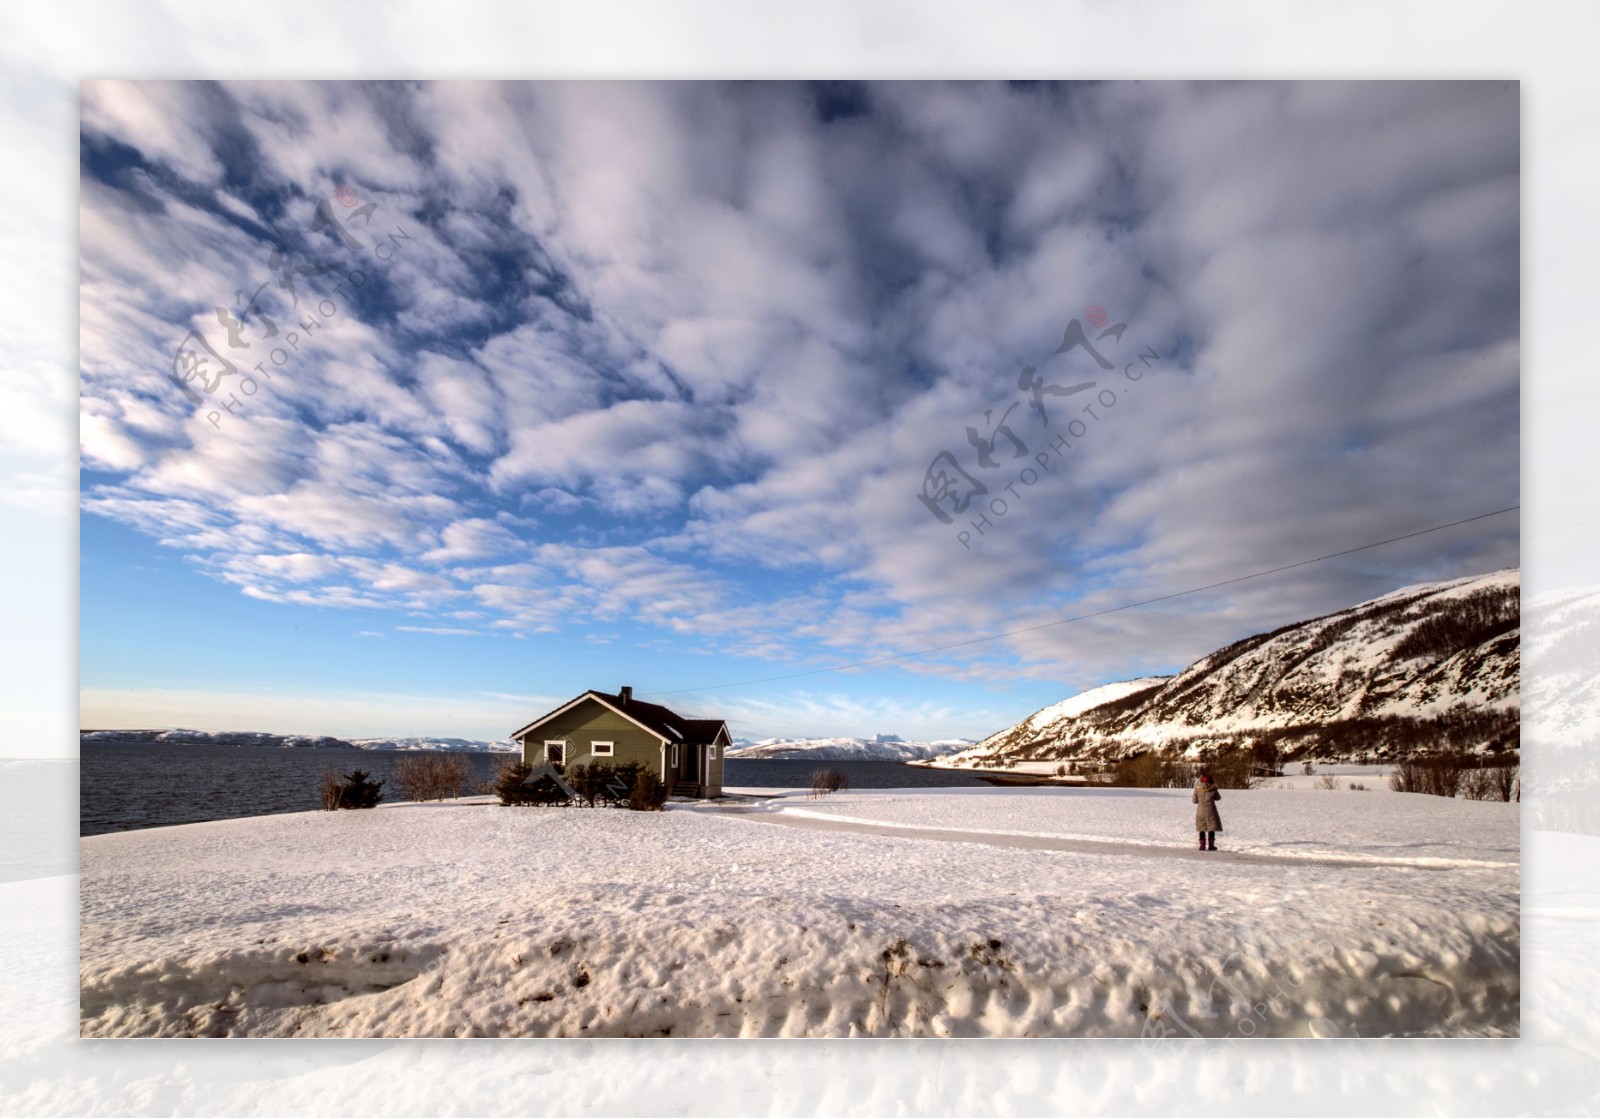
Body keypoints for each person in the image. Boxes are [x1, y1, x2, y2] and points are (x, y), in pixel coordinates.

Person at [1192, 773, 1222, 850]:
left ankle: (1202, 845)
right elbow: (1218, 798)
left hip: (1200, 811)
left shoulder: (1197, 789)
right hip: (1211, 810)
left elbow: (1194, 801)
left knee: (1201, 828)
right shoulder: (1213, 789)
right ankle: (1211, 845)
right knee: (1211, 828)